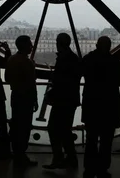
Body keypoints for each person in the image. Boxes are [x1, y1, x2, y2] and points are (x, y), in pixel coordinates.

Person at [81, 36, 120, 178]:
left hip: (92, 105)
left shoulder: (88, 60)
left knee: (91, 140)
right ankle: (102, 169)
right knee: (106, 142)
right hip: (109, 107)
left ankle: (89, 168)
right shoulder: (114, 62)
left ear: (96, 44)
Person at [43, 33, 81, 170]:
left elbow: (60, 82)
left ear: (58, 43)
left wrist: (51, 93)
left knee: (54, 129)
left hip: (62, 101)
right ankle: (69, 158)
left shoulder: (64, 59)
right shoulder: (72, 59)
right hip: (68, 100)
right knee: (64, 130)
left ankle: (60, 158)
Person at [5, 35, 38, 167]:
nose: (31, 46)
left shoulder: (12, 60)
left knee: (17, 126)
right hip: (26, 98)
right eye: (30, 44)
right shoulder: (27, 62)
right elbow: (31, 83)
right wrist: (34, 100)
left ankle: (17, 153)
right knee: (24, 127)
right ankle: (21, 154)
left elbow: (7, 79)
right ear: (25, 46)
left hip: (17, 96)